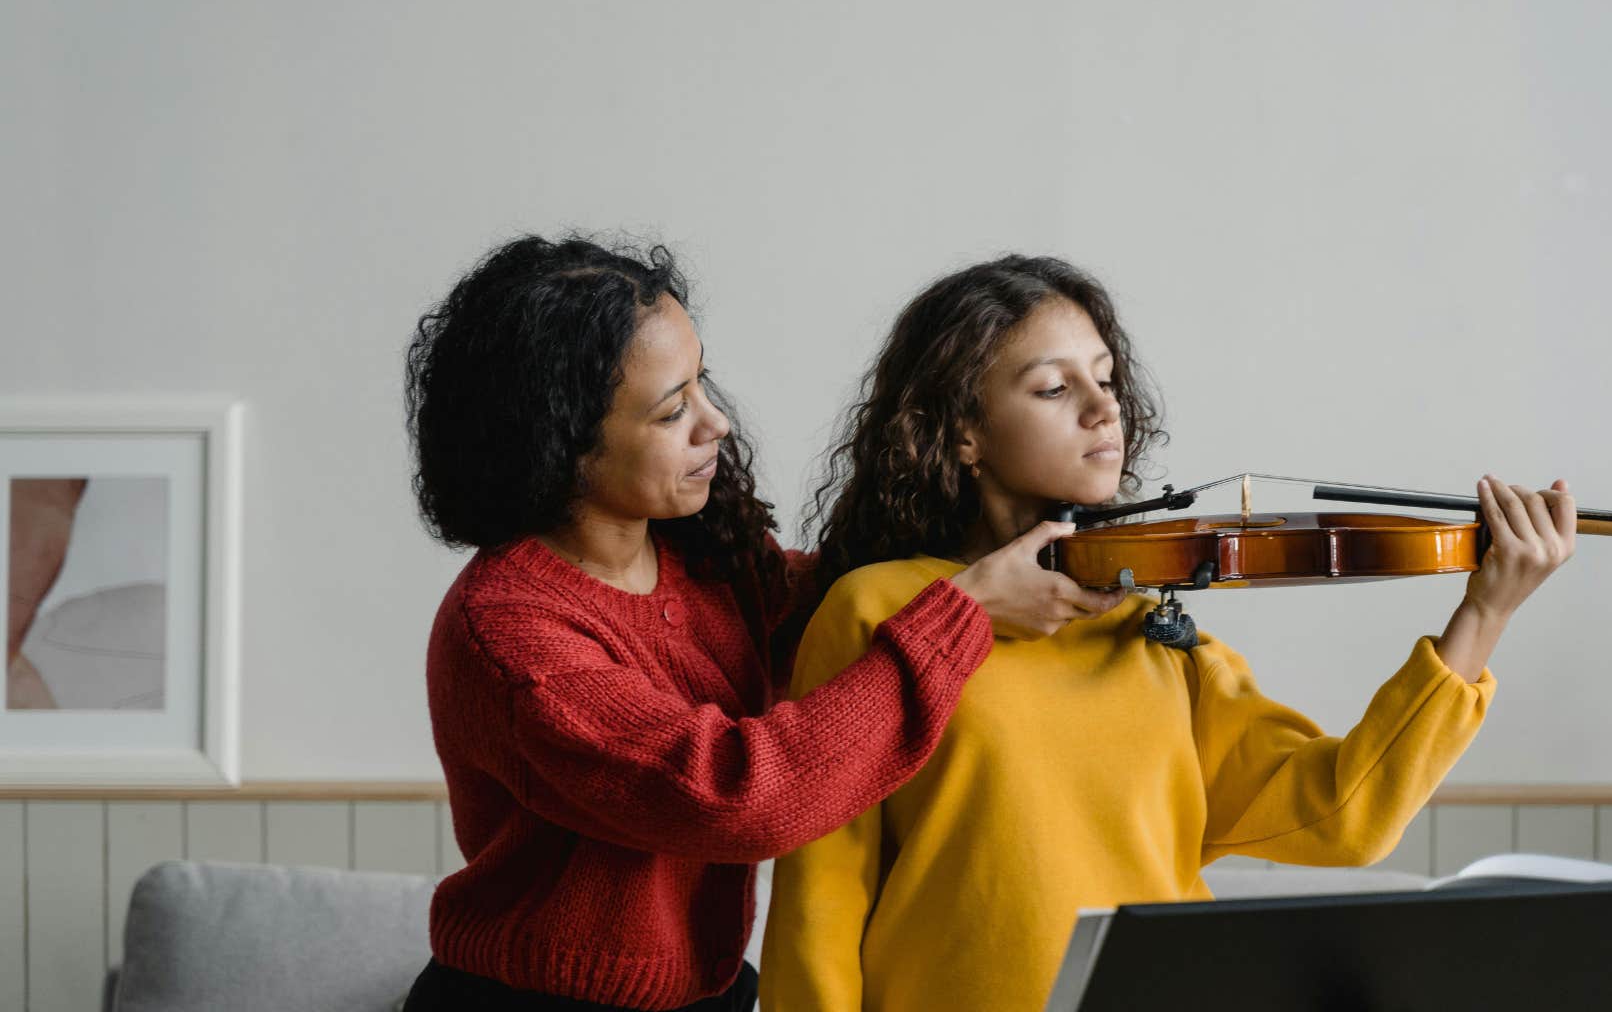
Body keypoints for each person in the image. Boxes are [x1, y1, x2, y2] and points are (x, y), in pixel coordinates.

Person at [760, 255, 1576, 1011]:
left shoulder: (1149, 624)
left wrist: (1485, 614)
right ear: (961, 432)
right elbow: (820, 908)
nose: (1102, 407)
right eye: (1053, 388)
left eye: (1106, 378)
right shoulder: (880, 611)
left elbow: (1343, 818)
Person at [400, 237, 1122, 1012]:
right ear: (558, 445)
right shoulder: (509, 634)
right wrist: (966, 614)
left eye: (702, 382)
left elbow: (851, 603)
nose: (716, 423)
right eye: (673, 409)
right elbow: (736, 797)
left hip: (709, 994)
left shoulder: (705, 562)